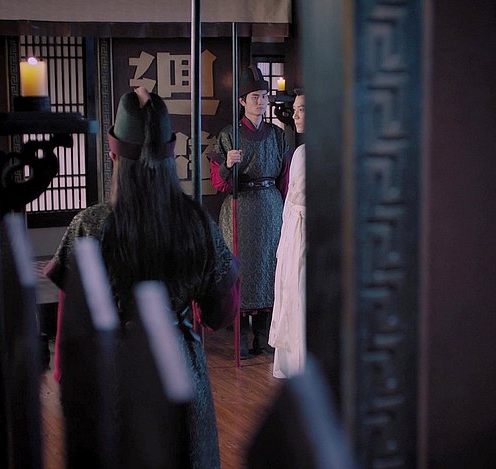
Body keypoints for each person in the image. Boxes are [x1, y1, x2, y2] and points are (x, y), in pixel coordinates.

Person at [44, 86, 239, 467]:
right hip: (178, 366)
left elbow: (69, 333)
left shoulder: (89, 226)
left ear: (114, 155)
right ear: (170, 155)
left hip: (111, 370)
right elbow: (222, 311)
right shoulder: (196, 223)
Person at [207, 66, 291, 359]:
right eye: (255, 97)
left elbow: (285, 178)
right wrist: (227, 165)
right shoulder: (229, 136)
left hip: (270, 208)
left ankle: (265, 336)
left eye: (264, 97)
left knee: (270, 267)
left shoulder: (277, 135)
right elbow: (218, 183)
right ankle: (240, 336)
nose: (261, 102)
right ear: (242, 101)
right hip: (240, 207)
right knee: (240, 270)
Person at [269, 89, 306, 378]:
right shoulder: (300, 152)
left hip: (305, 228)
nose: (295, 115)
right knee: (291, 290)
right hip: (294, 226)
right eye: (294, 109)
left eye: (301, 109)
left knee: (301, 292)